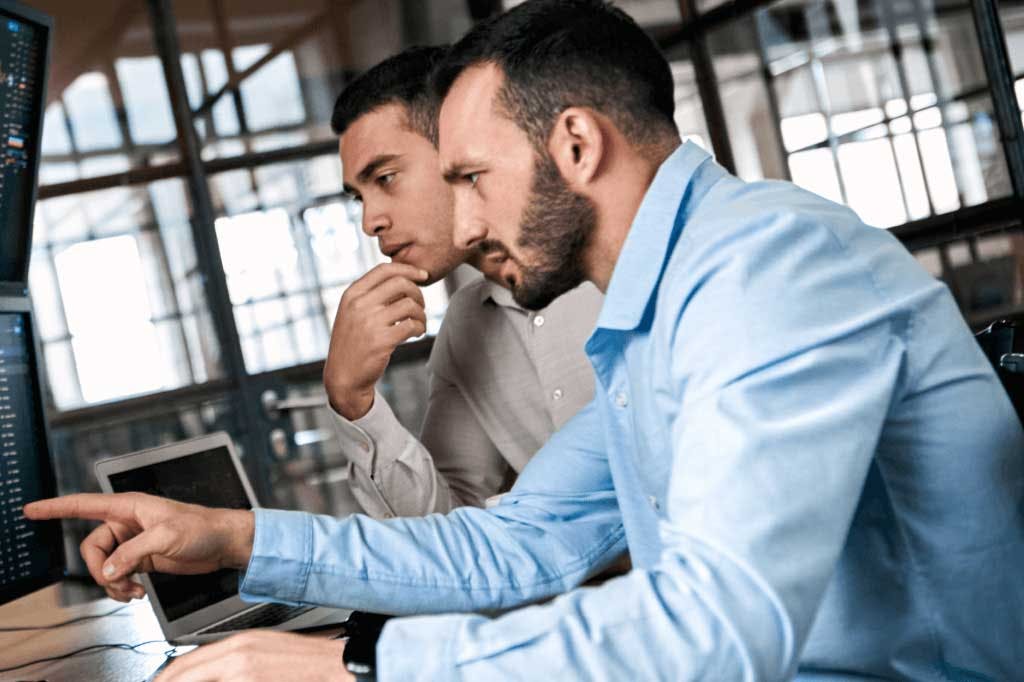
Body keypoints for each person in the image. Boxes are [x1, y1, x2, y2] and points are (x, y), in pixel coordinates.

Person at [26, 1, 1024, 680]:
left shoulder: (767, 268)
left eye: (468, 178)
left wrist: (352, 665)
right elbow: (519, 544)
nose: (457, 226)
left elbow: (718, 631)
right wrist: (238, 540)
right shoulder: (654, 306)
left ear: (577, 146)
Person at [324, 45, 603, 518]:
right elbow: (441, 533)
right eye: (359, 198)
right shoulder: (466, 328)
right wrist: (352, 400)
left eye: (386, 178)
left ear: (459, 148)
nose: (370, 220)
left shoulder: (610, 269)